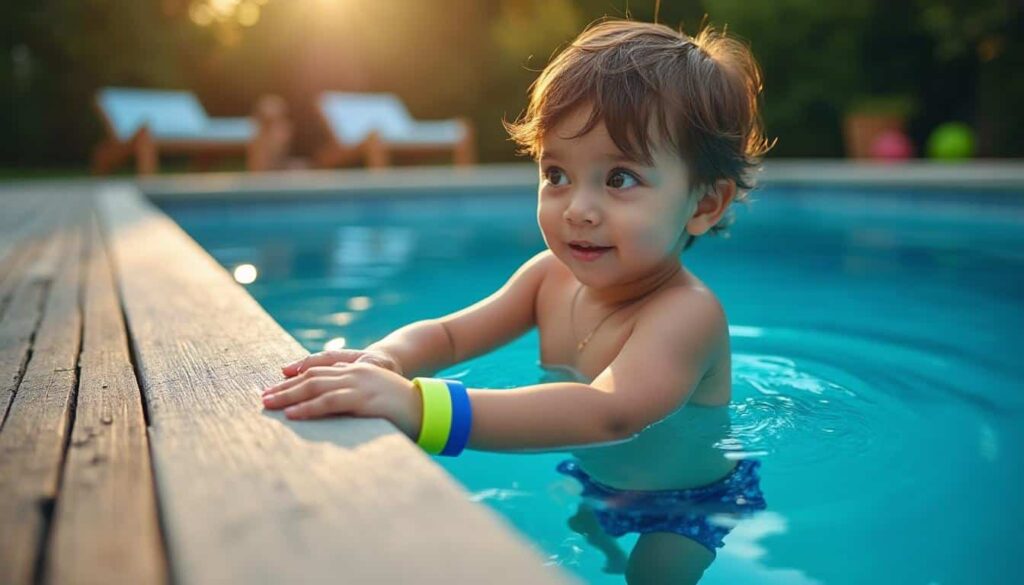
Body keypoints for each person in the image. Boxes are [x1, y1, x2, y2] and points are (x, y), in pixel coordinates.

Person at [262, 19, 771, 584]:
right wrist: (385, 362)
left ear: (705, 204)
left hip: (687, 499)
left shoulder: (686, 314)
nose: (578, 207)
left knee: (650, 576)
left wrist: (419, 407)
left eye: (620, 178)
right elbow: (451, 335)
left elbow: (608, 414)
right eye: (556, 173)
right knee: (586, 534)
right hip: (597, 474)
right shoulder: (546, 278)